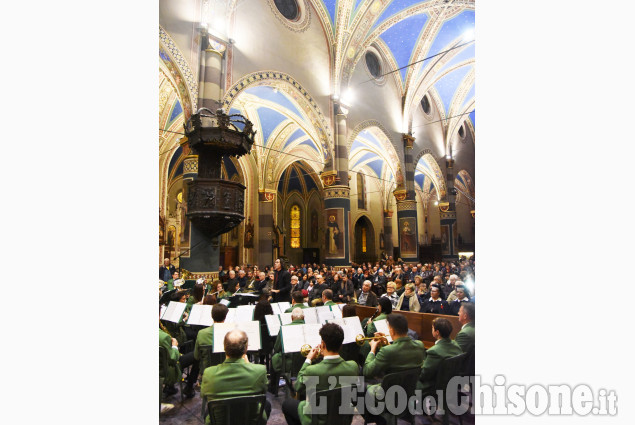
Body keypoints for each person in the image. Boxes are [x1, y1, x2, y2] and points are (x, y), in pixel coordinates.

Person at [282, 323, 359, 425]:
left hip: (318, 420)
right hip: (343, 418)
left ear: (322, 344)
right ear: (341, 345)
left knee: (287, 404)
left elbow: (298, 387)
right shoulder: (353, 366)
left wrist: (308, 360)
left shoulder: (312, 370)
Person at [201, 329, 270, 424]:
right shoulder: (260, 371)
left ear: (224, 347)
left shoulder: (208, 373)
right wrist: (249, 365)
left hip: (221, 422)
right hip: (250, 421)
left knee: (208, 411)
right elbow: (264, 391)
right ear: (246, 349)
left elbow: (204, 395)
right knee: (267, 405)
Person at [363, 314, 425, 404]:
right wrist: (386, 343)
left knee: (360, 387)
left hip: (390, 392)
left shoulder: (387, 351)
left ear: (391, 331)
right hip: (410, 389)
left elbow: (367, 371)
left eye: (389, 329)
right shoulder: (420, 345)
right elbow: (402, 355)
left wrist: (372, 349)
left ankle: (374, 418)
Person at [417, 318, 463, 393]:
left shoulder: (434, 352)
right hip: (452, 384)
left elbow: (423, 375)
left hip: (434, 387)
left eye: (432, 328)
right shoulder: (456, 345)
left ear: (437, 332)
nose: (431, 329)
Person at [270, 307, 306, 392]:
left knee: (274, 357)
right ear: (304, 318)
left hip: (289, 363)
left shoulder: (284, 328)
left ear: (292, 318)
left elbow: (277, 348)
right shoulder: (309, 328)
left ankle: (273, 386)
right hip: (306, 361)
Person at [194, 304, 229, 372]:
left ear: (212, 316)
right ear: (225, 317)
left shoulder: (201, 333)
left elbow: (196, 356)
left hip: (207, 373)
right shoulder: (232, 334)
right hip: (227, 373)